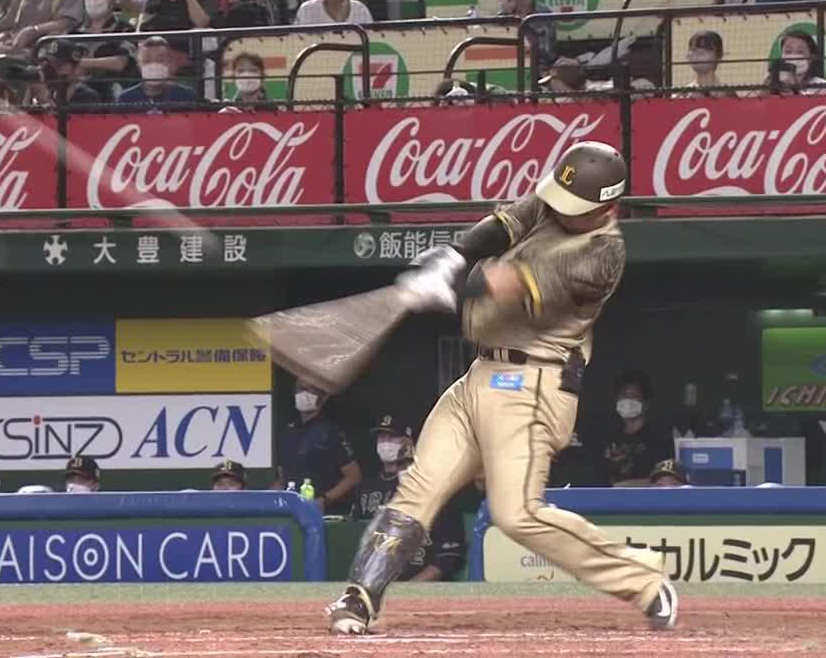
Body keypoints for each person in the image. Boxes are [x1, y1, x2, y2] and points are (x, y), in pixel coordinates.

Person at [324, 141, 677, 635]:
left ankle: (643, 579)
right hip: (479, 375)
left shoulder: (602, 255)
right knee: (419, 487)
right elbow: (504, 224)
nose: (559, 208)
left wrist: (448, 285)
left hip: (531, 387)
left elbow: (510, 283)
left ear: (606, 207)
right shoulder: (555, 202)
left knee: (516, 515)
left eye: (574, 206)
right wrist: (455, 253)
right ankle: (361, 596)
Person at [349, 414, 466, 582]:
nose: (386, 443)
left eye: (392, 437)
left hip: (424, 586)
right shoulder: (366, 489)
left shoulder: (436, 492)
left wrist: (410, 588)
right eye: (382, 437)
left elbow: (448, 557)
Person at [276, 379, 362, 514]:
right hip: (292, 511)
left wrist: (324, 500)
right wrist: (270, 497)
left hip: (328, 513)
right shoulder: (287, 432)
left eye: (310, 389)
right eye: (300, 388)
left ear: (323, 396)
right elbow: (283, 478)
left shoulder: (330, 431)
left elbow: (353, 476)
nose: (304, 393)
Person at [602, 369, 675, 486]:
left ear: (646, 403)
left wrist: (627, 486)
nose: (628, 400)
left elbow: (664, 481)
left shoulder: (659, 439)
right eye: (624, 395)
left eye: (634, 396)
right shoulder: (608, 436)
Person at [75, 0, 137, 100]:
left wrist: (80, 62)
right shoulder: (74, 32)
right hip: (79, 96)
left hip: (112, 94)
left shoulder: (125, 29)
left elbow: (120, 63)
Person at [486, 0, 555, 69]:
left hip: (538, 71)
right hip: (508, 69)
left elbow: (546, 53)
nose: (499, 0)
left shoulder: (542, 14)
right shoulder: (502, 18)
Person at [116, 36, 195, 105]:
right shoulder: (125, 99)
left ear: (169, 62)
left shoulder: (187, 96)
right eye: (147, 60)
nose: (154, 66)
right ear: (139, 65)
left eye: (160, 60)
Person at [24, 38, 102, 106]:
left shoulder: (87, 96)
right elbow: (22, 115)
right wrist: (30, 92)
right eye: (50, 63)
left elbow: (61, 118)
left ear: (75, 68)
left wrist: (44, 98)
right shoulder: (48, 88)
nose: (53, 68)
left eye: (59, 64)